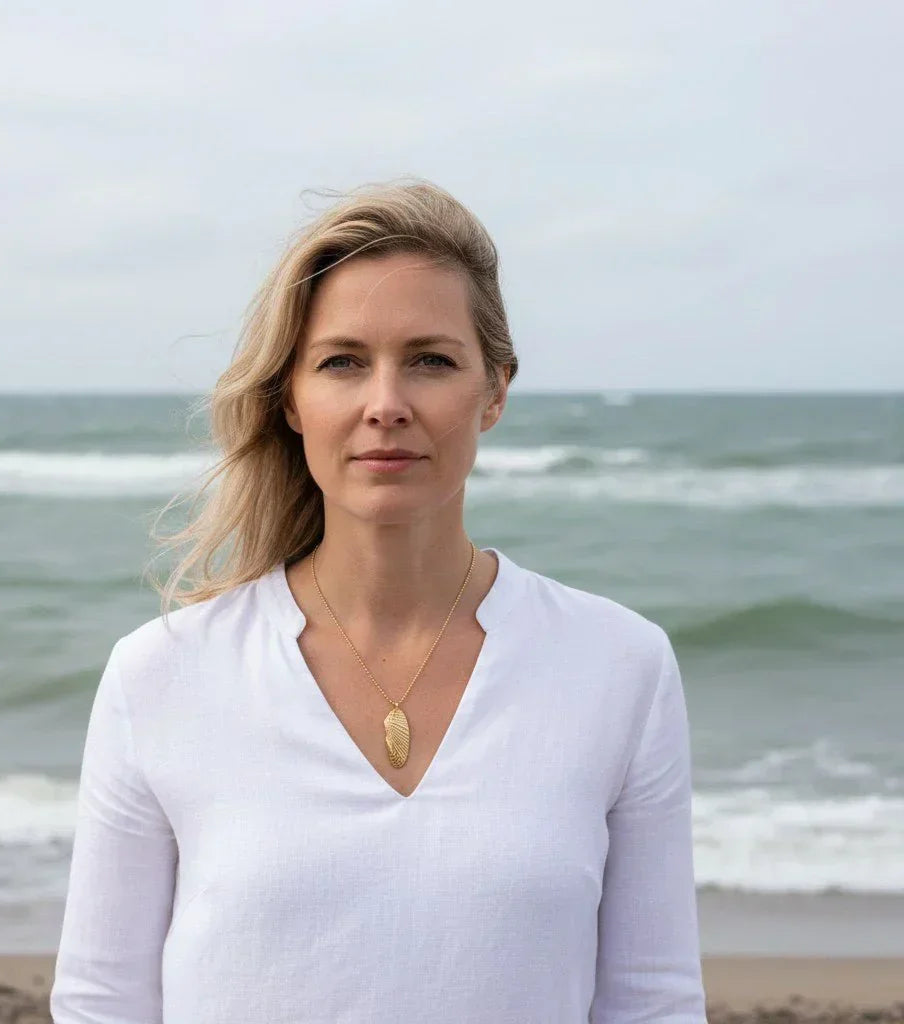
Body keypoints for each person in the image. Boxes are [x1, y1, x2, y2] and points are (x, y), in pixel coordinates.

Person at [49, 180, 707, 1022]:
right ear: (291, 397)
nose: (386, 405)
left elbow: (653, 1002)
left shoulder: (619, 664)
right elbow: (102, 1004)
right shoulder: (161, 673)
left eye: (431, 361)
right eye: (342, 362)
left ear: (495, 391)